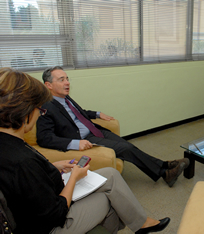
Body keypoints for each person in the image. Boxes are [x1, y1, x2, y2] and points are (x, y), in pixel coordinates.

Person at [0, 68, 170, 233]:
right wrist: (74, 177)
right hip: (50, 224)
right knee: (110, 198)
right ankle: (138, 218)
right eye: (39, 109)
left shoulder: (10, 143)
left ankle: (141, 223)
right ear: (24, 112)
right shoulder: (21, 160)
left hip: (50, 193)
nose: (40, 114)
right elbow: (54, 214)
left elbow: (29, 180)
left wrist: (54, 166)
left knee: (111, 173)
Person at [36, 66, 189, 187]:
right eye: (62, 79)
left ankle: (164, 165)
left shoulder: (65, 97)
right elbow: (44, 138)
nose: (67, 82)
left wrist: (97, 114)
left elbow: (79, 113)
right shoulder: (46, 107)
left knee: (126, 144)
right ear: (48, 85)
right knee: (126, 149)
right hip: (83, 139)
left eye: (67, 79)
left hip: (94, 130)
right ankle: (164, 173)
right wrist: (76, 143)